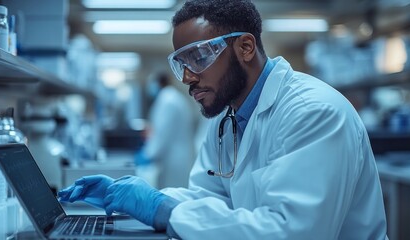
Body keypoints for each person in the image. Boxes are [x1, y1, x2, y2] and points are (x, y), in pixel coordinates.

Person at [58, 0, 388, 239]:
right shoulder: (226, 117)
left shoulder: (314, 112)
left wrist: (164, 210)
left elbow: (293, 231)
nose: (186, 77)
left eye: (197, 57)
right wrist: (147, 198)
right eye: (180, 63)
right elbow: (211, 198)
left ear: (245, 47)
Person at [134, 72, 195, 188]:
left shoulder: (167, 101)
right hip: (178, 155)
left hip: (174, 159)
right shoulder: (173, 97)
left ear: (158, 83)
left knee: (173, 195)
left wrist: (148, 154)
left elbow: (161, 134)